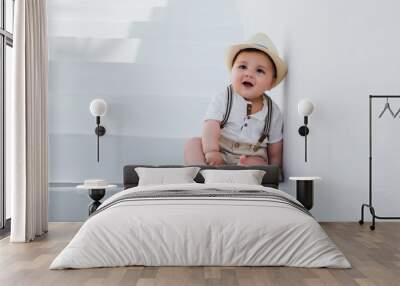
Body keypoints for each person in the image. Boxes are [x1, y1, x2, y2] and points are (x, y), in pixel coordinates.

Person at [184, 33, 287, 169]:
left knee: (259, 165)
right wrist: (211, 151)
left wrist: (276, 169)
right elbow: (211, 126)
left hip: (250, 155)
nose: (249, 74)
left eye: (259, 71)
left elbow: (275, 147)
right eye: (242, 67)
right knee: (193, 144)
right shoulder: (224, 98)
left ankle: (241, 175)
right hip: (219, 150)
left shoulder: (273, 112)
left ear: (271, 83)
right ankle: (202, 172)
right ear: (232, 70)